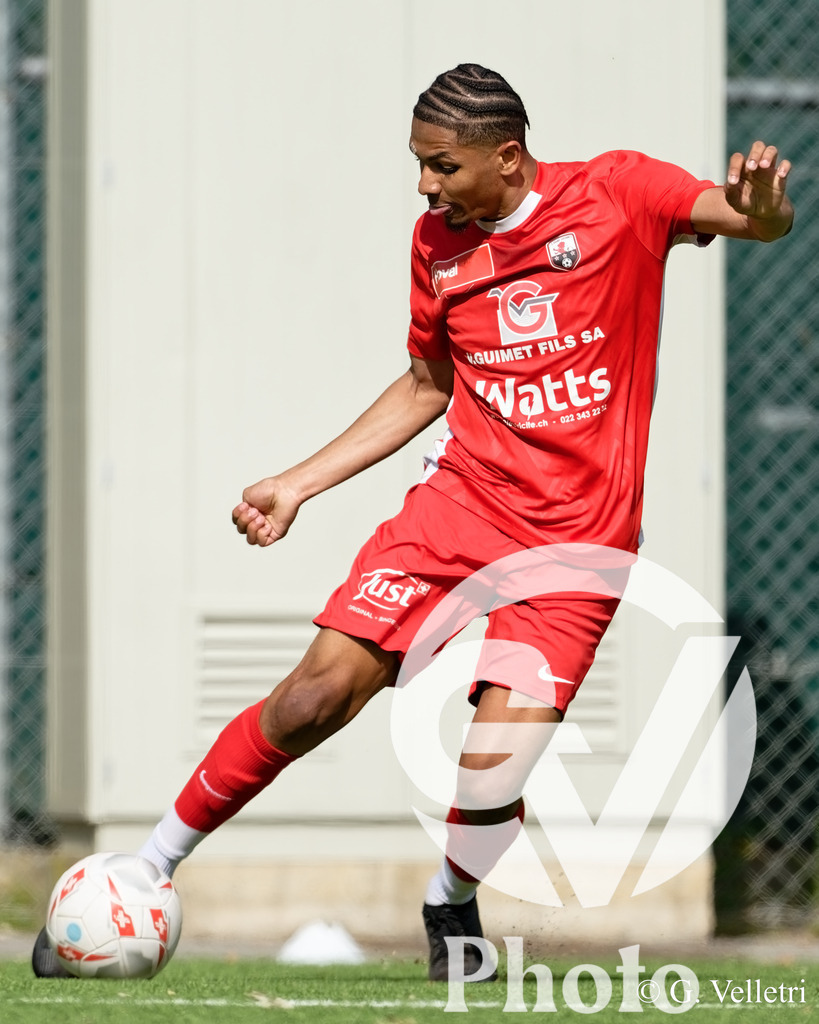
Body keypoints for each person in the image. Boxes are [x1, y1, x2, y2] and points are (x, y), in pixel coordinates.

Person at [33, 64, 794, 981]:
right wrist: (298, 483)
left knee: (490, 774)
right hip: (458, 513)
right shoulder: (437, 242)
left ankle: (449, 901)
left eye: (441, 165)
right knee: (314, 696)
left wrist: (762, 209)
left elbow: (748, 218)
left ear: (506, 158)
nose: (426, 186)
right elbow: (429, 384)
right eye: (420, 165)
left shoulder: (619, 194)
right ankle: (145, 867)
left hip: (574, 548)